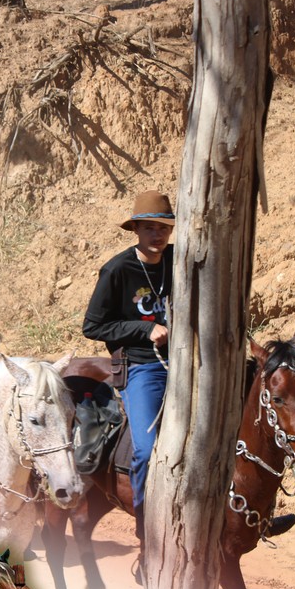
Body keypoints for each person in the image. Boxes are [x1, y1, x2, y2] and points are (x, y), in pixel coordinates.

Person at [83, 191, 174, 558]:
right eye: (149, 227)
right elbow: (93, 326)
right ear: (135, 229)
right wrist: (143, 328)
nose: (157, 235)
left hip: (191, 366)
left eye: (163, 228)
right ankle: (146, 533)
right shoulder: (118, 270)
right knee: (146, 451)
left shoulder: (179, 261)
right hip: (144, 366)